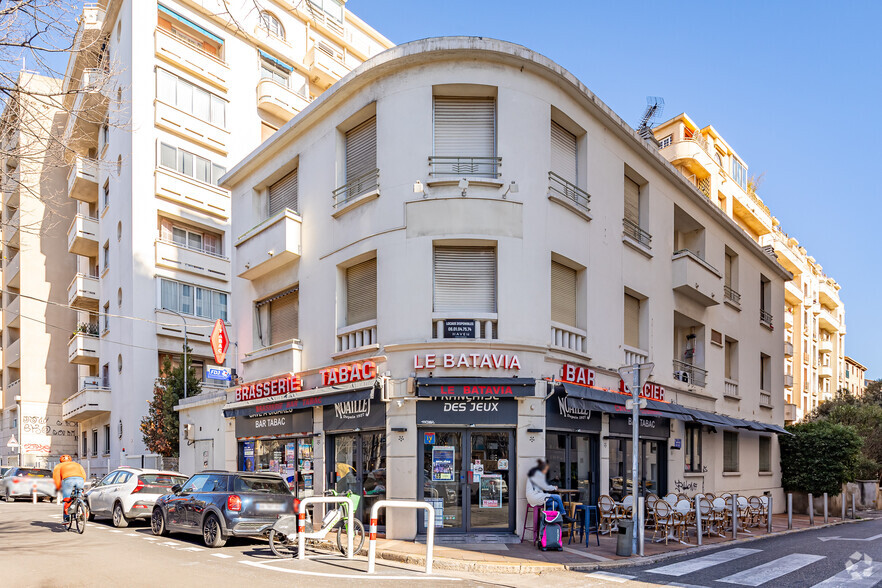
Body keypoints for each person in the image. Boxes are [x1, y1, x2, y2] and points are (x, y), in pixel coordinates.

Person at [53, 455, 86, 523]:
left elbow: (56, 478)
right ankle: (83, 511)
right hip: (80, 480)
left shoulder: (59, 466)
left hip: (68, 480)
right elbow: (84, 475)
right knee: (79, 497)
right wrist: (81, 485)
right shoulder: (77, 464)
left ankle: (66, 518)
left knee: (66, 499)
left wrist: (58, 488)